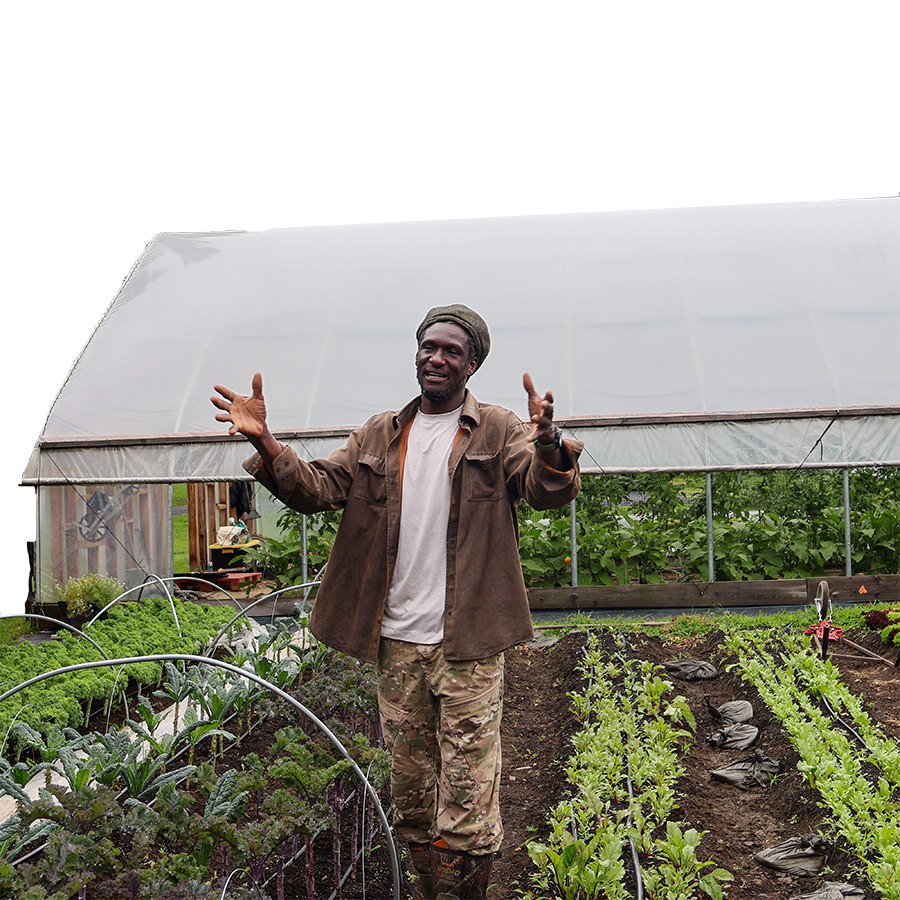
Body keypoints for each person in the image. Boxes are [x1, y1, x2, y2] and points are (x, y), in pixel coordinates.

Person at [212, 304, 582, 900]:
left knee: (467, 795)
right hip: (398, 643)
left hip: (468, 643)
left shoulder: (500, 429)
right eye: (428, 346)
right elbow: (317, 490)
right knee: (411, 793)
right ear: (416, 354)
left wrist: (551, 443)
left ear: (473, 364)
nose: (436, 357)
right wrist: (267, 441)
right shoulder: (379, 434)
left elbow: (543, 490)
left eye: (452, 351)